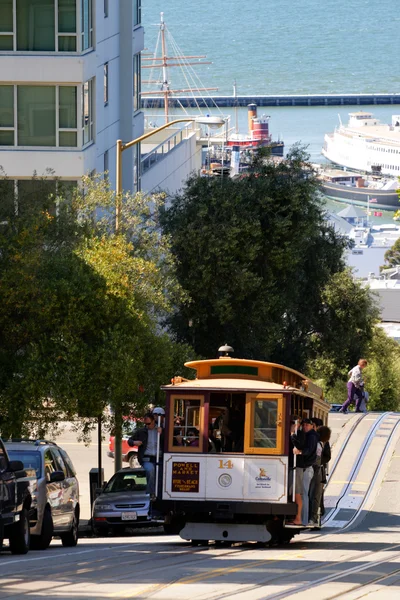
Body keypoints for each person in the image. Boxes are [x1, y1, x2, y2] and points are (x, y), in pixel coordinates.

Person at [288, 418, 318, 526]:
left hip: (305, 467)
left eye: (307, 425)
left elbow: (307, 449)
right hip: (304, 467)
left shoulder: (311, 436)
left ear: (312, 426)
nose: (305, 427)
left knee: (301, 493)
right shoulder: (308, 434)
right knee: (301, 492)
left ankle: (302, 519)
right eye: (304, 425)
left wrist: (300, 452)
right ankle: (302, 519)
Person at [127, 412, 163, 498]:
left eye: (149, 423)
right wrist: (134, 442)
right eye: (145, 424)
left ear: (154, 421)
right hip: (147, 458)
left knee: (161, 474)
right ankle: (151, 493)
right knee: (150, 470)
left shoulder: (160, 430)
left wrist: (162, 432)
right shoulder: (141, 431)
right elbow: (130, 441)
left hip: (160, 457)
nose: (147, 425)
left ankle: (161, 495)